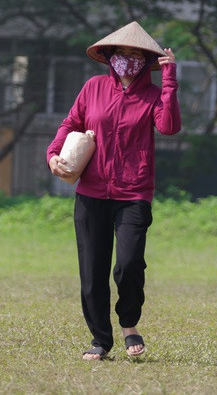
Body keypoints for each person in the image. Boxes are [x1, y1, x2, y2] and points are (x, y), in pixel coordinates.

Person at [46, 21, 180, 360]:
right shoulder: (93, 88)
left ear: (146, 61)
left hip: (134, 193)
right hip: (91, 193)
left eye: (136, 55)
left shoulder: (152, 94)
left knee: (129, 264)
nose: (128, 59)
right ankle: (101, 340)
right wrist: (53, 155)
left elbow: (169, 127)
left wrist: (169, 80)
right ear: (111, 56)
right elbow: (71, 123)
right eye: (123, 53)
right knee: (92, 272)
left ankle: (129, 322)